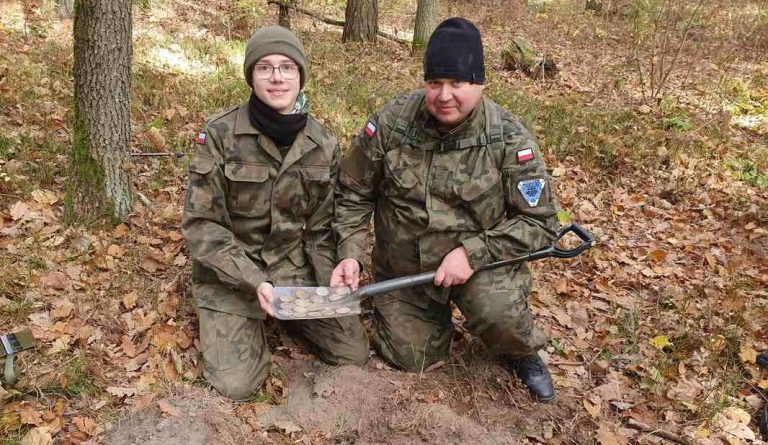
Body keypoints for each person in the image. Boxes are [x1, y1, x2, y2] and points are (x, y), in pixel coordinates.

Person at [331, 17, 560, 402]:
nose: (444, 95)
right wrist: (349, 256)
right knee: (411, 356)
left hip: (480, 268)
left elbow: (539, 223)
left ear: (481, 83)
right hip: (406, 272)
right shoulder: (391, 123)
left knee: (498, 314)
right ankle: (431, 324)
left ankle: (521, 352)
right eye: (435, 82)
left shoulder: (509, 138)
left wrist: (473, 254)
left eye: (458, 83)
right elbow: (353, 194)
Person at [182, 26, 369, 400]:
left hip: (292, 269)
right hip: (235, 276)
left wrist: (344, 263)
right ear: (251, 76)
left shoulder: (322, 143)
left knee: (354, 354)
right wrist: (254, 282)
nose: (277, 76)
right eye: (265, 67)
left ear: (301, 76)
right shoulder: (220, 134)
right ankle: (247, 321)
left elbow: (323, 226)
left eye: (287, 67)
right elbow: (202, 225)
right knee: (236, 386)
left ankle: (288, 317)